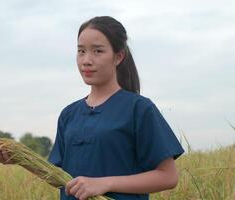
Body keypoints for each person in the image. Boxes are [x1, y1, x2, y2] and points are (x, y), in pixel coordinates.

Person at [46, 16, 185, 200]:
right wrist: (14, 157)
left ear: (118, 57)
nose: (86, 60)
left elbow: (168, 177)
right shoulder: (69, 115)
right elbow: (57, 177)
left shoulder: (139, 109)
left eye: (97, 51)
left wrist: (105, 183)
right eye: (81, 51)